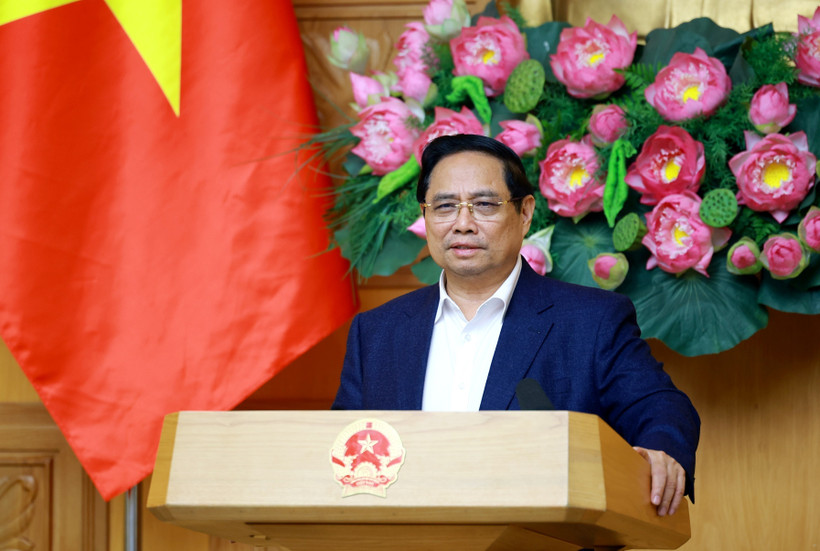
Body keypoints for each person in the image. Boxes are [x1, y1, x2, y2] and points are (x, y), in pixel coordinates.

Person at [333, 134, 700, 517]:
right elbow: (339, 450)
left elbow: (660, 406)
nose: (462, 224)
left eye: (484, 205)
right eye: (444, 206)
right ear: (425, 216)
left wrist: (662, 451)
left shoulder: (590, 322)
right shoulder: (376, 332)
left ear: (524, 213)